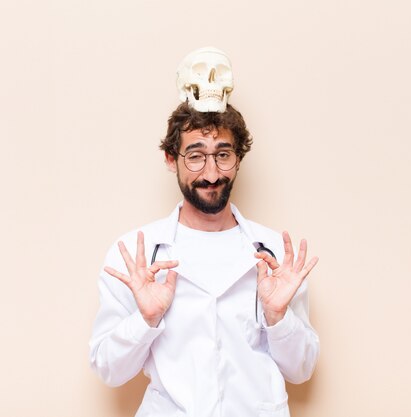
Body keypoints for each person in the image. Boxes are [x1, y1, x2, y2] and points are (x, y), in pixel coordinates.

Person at [89, 102, 320, 417]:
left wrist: (278, 316)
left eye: (223, 155)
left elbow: (301, 370)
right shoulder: (134, 253)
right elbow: (108, 369)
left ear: (238, 159)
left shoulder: (278, 254)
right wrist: (146, 320)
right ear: (172, 159)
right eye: (195, 156)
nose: (211, 174)